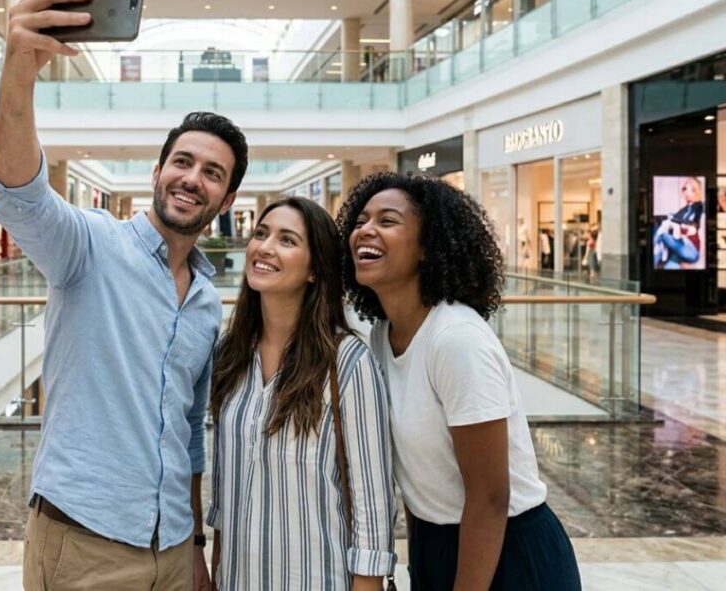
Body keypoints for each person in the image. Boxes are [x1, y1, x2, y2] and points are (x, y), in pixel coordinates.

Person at [0, 0, 249, 591]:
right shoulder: (90, 246)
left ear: (228, 197)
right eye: (183, 162)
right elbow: (22, 199)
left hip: (171, 547)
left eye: (212, 173)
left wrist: (191, 543)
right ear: (157, 171)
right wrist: (19, 71)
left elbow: (187, 433)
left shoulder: (208, 302)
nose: (193, 179)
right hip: (85, 543)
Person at [338, 173, 581, 591]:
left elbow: (489, 498)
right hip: (439, 544)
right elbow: (419, 483)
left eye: (387, 220)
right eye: (361, 220)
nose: (366, 230)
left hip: (509, 552)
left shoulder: (455, 339)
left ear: (429, 247)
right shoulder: (382, 335)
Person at [208, 197, 397, 591]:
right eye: (261, 234)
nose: (265, 247)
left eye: (287, 240)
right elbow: (227, 497)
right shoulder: (231, 356)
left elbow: (372, 507)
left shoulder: (348, 362)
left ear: (314, 269)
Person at [653, 176, 703, 269]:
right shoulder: (685, 208)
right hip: (679, 247)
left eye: (686, 189)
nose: (684, 192)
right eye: (683, 189)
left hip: (690, 249)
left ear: (695, 190)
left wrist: (684, 226)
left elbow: (694, 225)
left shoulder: (698, 206)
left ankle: (655, 252)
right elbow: (674, 218)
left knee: (662, 235)